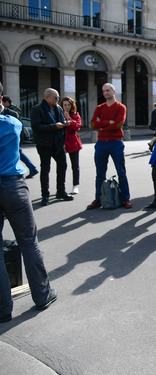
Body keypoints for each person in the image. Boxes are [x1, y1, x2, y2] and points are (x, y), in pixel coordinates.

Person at [0, 82, 58, 323]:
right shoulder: (10, 122)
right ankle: (42, 295)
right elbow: (22, 134)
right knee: (28, 242)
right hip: (13, 185)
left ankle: (3, 309)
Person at [87, 83, 131, 209]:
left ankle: (126, 198)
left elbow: (118, 124)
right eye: (104, 91)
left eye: (108, 90)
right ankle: (98, 199)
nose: (106, 93)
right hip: (101, 143)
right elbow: (93, 124)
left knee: (121, 172)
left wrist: (101, 124)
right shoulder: (99, 108)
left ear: (113, 91)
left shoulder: (121, 107)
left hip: (116, 142)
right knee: (100, 173)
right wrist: (107, 122)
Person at [31, 88, 73, 206]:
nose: (57, 100)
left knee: (62, 166)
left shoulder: (58, 108)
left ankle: (61, 191)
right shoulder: (37, 109)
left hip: (58, 144)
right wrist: (55, 126)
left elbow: (60, 123)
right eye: (55, 98)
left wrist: (65, 124)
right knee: (45, 169)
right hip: (44, 144)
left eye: (58, 97)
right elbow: (37, 127)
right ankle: (45, 195)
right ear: (47, 97)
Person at [61, 97, 82, 195]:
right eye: (65, 105)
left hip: (73, 140)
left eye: (69, 105)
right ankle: (61, 187)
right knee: (62, 166)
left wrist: (69, 118)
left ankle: (75, 185)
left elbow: (77, 126)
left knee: (75, 165)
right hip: (61, 141)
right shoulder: (59, 114)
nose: (67, 107)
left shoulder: (75, 115)